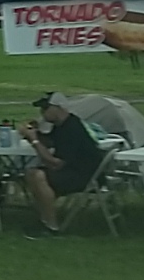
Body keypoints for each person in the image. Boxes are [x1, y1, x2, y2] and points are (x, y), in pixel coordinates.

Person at [19, 92, 105, 237]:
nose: (42, 112)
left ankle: (52, 226)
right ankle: (44, 219)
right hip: (73, 170)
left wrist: (34, 141)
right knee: (30, 173)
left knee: (39, 176)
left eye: (46, 108)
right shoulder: (62, 125)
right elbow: (50, 142)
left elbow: (55, 163)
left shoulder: (72, 128)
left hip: (86, 176)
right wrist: (34, 133)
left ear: (58, 107)